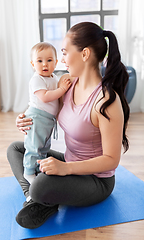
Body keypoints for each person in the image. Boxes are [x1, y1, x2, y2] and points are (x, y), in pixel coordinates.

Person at [7, 22, 130, 229]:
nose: (61, 59)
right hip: (70, 163)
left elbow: (111, 160)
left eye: (64, 52)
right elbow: (43, 104)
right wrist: (26, 118)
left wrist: (65, 169)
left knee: (42, 184)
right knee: (16, 149)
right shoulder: (67, 83)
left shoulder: (106, 101)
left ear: (85, 54)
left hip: (95, 179)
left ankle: (40, 196)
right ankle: (36, 198)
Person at [22, 42, 71, 184]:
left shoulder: (54, 78)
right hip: (37, 117)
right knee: (34, 145)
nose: (45, 64)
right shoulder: (37, 79)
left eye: (49, 60)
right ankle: (29, 172)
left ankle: (38, 166)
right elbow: (44, 97)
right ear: (33, 64)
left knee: (44, 146)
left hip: (48, 120)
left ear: (55, 63)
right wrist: (61, 89)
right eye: (39, 61)